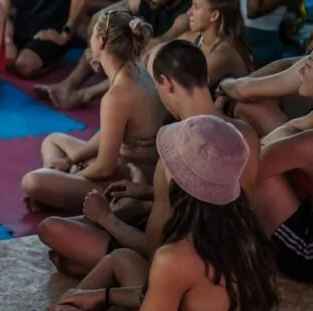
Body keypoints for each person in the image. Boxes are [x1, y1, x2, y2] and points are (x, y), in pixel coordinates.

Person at [0, 115, 278, 311]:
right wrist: (104, 295)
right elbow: (179, 299)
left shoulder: (177, 256)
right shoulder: (244, 231)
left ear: (177, 180)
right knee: (122, 258)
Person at [39, 41, 261, 278]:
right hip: (238, 259)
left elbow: (155, 251)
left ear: (166, 83)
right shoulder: (245, 134)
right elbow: (221, 205)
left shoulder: (174, 149)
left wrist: (107, 218)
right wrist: (146, 193)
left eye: (156, 86)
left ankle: (99, 267)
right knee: (107, 222)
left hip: (185, 268)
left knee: (51, 229)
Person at [23, 11, 164, 214]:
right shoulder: (138, 70)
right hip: (128, 164)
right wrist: (70, 161)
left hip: (128, 181)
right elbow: (110, 133)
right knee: (52, 140)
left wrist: (72, 176)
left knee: (32, 181)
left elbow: (104, 168)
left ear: (100, 41)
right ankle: (59, 188)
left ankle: (58, 196)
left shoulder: (117, 95)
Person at [36, 0, 193, 110]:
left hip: (168, 69)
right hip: (144, 51)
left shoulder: (188, 9)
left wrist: (118, 49)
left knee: (144, 56)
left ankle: (84, 95)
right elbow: (100, 17)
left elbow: (161, 42)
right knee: (103, 38)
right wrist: (98, 49)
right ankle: (66, 85)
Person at [254, 54, 313, 284]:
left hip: (307, 255)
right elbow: (288, 129)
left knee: (262, 177)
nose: (300, 71)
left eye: (309, 65)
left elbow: (245, 172)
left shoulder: (308, 144)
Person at [180, 0, 253, 86]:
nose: (189, 12)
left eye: (196, 7)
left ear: (214, 15)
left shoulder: (222, 54)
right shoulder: (197, 38)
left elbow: (188, 88)